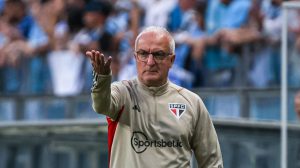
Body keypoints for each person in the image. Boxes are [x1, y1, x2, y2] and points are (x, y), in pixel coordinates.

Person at [86, 26, 223, 168]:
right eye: (143, 54)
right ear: (135, 58)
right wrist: (102, 79)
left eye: (158, 54)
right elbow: (101, 105)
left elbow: (212, 162)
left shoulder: (192, 103)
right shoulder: (123, 92)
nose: (150, 62)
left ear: (172, 60)